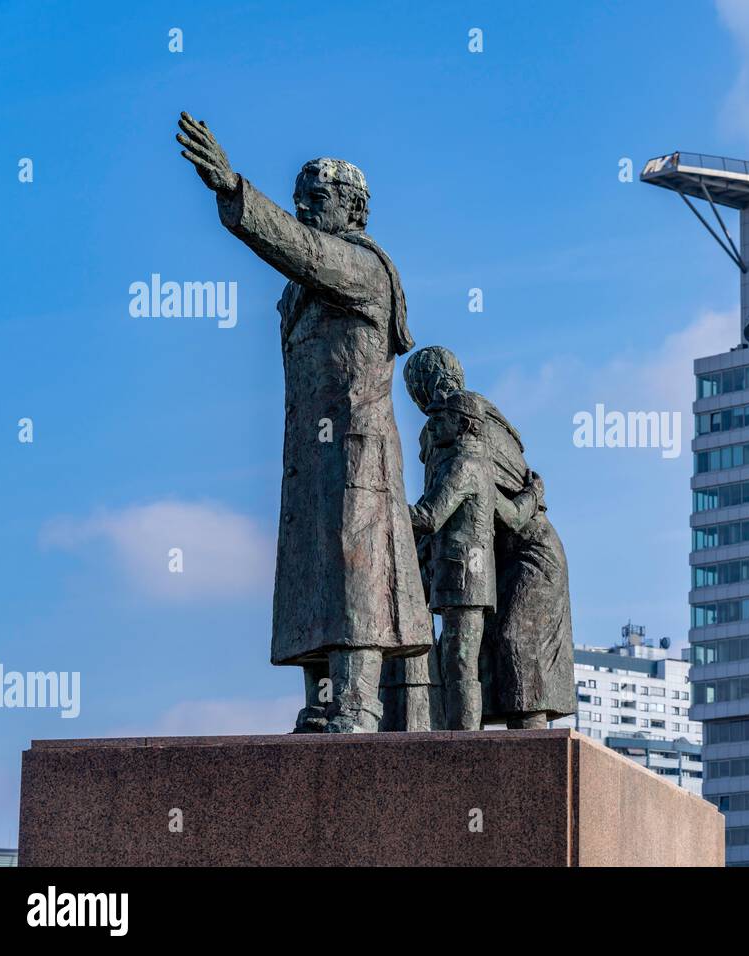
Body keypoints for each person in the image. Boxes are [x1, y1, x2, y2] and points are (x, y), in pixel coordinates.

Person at [176, 113, 433, 733]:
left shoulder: (363, 269)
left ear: (353, 209)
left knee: (354, 563)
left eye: (315, 199)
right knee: (313, 564)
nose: (303, 208)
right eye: (298, 198)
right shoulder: (302, 291)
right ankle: (323, 698)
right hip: (312, 454)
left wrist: (232, 188)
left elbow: (300, 248)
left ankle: (358, 701)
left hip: (354, 449)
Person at [403, 348, 575, 729]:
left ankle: (531, 755)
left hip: (530, 551)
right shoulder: (470, 418)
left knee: (517, 641)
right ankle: (499, 755)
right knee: (479, 651)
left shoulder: (459, 426)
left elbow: (439, 510)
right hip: (491, 552)